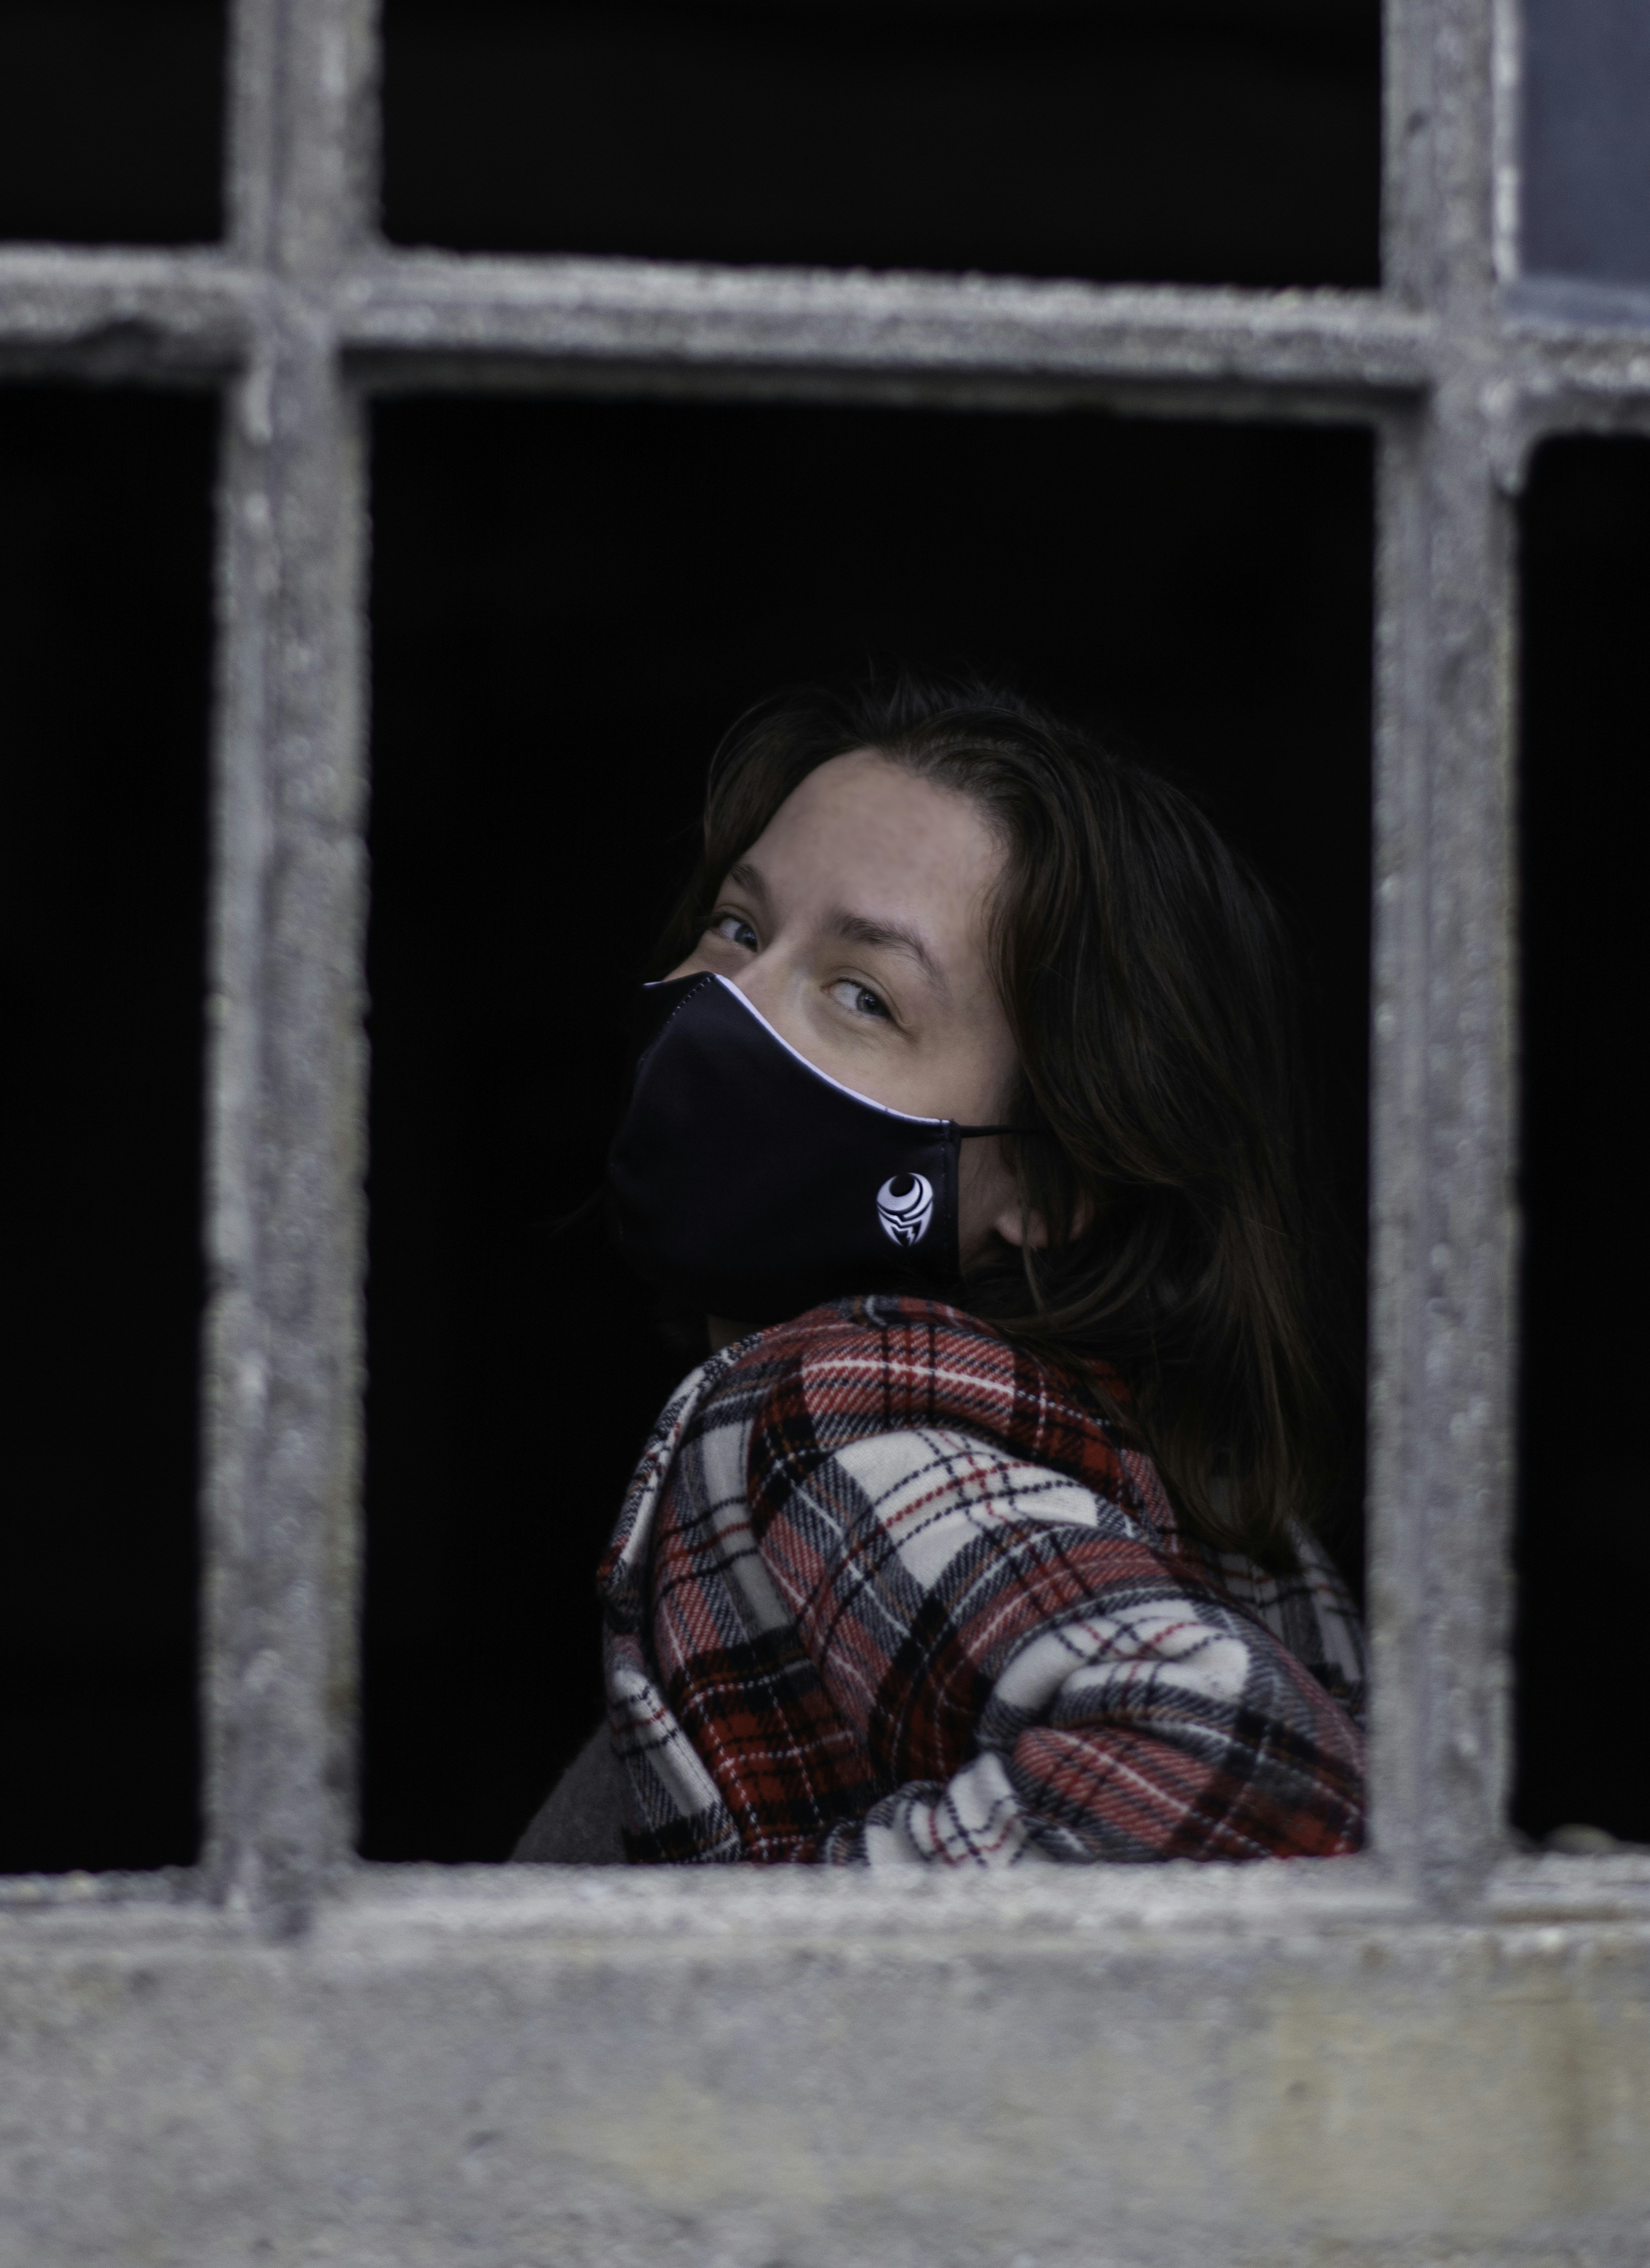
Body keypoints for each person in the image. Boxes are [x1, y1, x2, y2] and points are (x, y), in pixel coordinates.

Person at [516, 675, 1366, 1867]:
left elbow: (1247, 1763)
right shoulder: (1221, 1497)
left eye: (862, 996)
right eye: (741, 927)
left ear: (1050, 1190)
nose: (727, 999)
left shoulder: (814, 1413)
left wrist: (766, 1974)